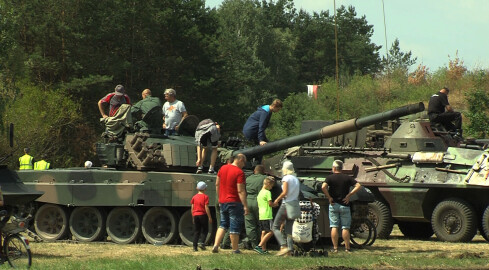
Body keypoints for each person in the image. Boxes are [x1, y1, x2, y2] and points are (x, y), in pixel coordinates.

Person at [321, 160, 362, 253]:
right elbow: (358, 185)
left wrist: (329, 197)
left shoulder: (329, 178)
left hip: (334, 204)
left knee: (334, 226)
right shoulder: (347, 178)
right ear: (341, 168)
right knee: (345, 227)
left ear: (334, 168)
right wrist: (349, 195)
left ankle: (335, 248)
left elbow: (323, 187)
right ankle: (347, 248)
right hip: (345, 205)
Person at [212, 153, 248, 254]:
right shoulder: (239, 172)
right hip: (234, 202)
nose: (244, 165)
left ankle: (215, 245)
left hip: (223, 201)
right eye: (244, 162)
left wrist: (219, 198)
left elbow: (217, 184)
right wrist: (245, 205)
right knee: (234, 225)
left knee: (223, 224)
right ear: (240, 160)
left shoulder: (222, 168)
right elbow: (240, 190)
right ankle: (235, 249)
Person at [272, 161, 300, 256]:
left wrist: (276, 200)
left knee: (275, 227)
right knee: (289, 229)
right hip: (295, 205)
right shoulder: (296, 179)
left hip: (286, 204)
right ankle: (290, 250)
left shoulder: (286, 178)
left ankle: (283, 246)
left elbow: (285, 192)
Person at [244, 165, 267, 249]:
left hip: (248, 200)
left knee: (250, 225)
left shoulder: (248, 178)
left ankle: (253, 244)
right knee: (260, 224)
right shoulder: (264, 178)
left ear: (254, 171)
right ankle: (261, 244)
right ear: (263, 171)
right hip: (259, 201)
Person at [254, 176, 276, 254]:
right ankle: (259, 246)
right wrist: (275, 204)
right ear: (268, 184)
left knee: (263, 232)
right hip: (267, 215)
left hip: (261, 215)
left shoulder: (260, 192)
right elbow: (270, 203)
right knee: (271, 231)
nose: (271, 188)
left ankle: (263, 249)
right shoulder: (267, 192)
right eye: (271, 186)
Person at [191, 181, 213, 252]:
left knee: (197, 231)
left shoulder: (194, 197)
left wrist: (193, 217)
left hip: (195, 215)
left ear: (197, 188)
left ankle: (194, 247)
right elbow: (206, 207)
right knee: (205, 230)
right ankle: (202, 243)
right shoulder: (205, 197)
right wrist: (209, 217)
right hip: (203, 215)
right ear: (205, 189)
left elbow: (192, 207)